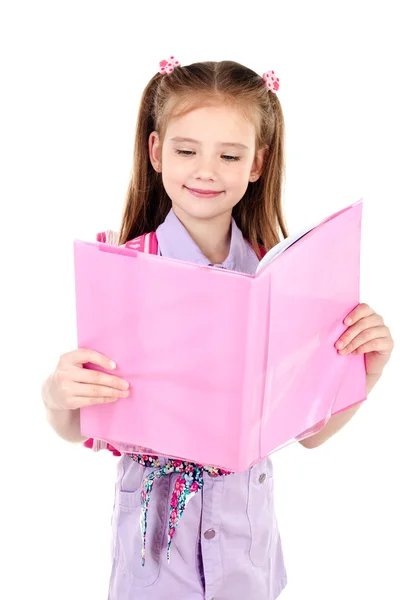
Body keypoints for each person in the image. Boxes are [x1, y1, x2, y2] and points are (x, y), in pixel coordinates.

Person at [41, 57, 394, 600]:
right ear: (156, 151)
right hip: (156, 553)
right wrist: (57, 392)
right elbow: (83, 426)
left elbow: (310, 433)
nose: (206, 170)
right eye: (186, 151)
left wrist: (365, 371)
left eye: (229, 155)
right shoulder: (122, 272)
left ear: (257, 163)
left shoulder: (281, 280)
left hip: (246, 549)